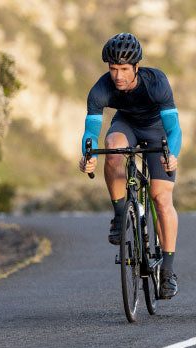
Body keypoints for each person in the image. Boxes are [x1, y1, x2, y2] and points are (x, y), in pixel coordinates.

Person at [77, 33, 182, 299]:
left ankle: (168, 270)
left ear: (136, 67)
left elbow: (173, 128)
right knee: (112, 148)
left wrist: (173, 153)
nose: (118, 75)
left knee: (161, 198)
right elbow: (91, 133)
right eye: (113, 69)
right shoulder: (101, 89)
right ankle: (120, 213)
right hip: (126, 126)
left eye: (124, 69)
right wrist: (87, 156)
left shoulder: (156, 82)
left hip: (156, 131)